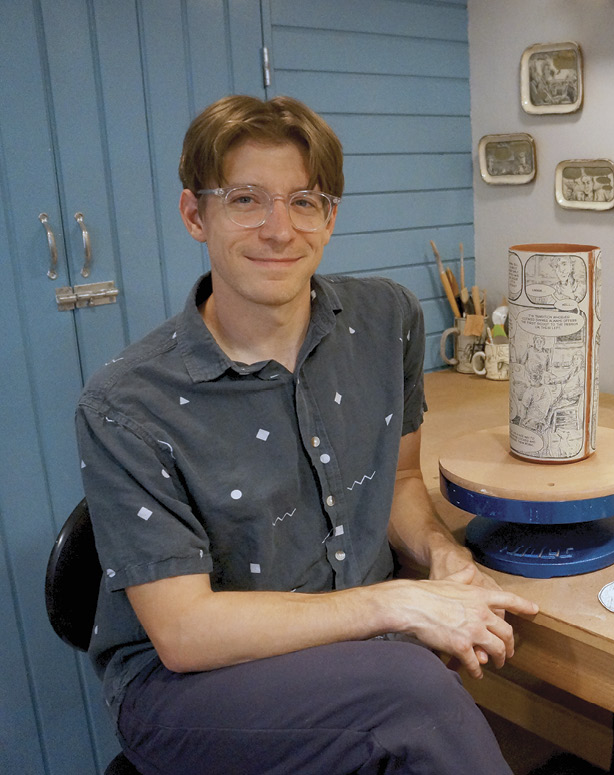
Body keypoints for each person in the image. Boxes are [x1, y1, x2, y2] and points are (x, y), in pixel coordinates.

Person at [74, 95, 538, 775]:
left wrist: (440, 555)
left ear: (330, 218)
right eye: (245, 199)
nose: (278, 229)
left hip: (358, 661)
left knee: (411, 689)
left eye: (304, 201)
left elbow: (401, 482)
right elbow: (182, 631)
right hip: (186, 689)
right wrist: (398, 601)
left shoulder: (387, 320)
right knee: (412, 694)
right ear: (194, 214)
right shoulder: (126, 402)